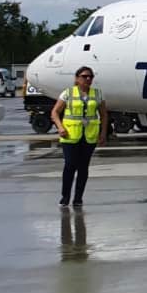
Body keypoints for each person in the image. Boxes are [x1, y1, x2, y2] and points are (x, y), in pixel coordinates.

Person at [51, 66, 107, 208]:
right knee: (70, 165)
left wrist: (103, 133)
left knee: (83, 167)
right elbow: (55, 112)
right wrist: (60, 127)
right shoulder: (68, 93)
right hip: (70, 135)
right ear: (77, 78)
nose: (88, 79)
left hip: (89, 136)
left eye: (90, 76)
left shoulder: (97, 94)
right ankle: (65, 197)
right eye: (84, 76)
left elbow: (104, 115)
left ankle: (78, 198)